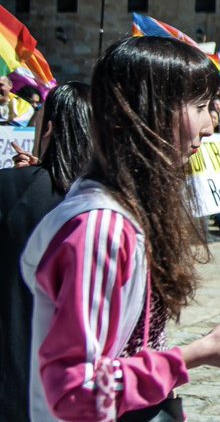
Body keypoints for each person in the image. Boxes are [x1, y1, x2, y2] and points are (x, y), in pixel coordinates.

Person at [21, 37, 220, 420]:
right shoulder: (101, 228)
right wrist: (196, 355)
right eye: (201, 107)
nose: (211, 126)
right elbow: (77, 390)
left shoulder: (126, 212)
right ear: (151, 112)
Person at [0, 82, 93, 421]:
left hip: (13, 376)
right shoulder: (106, 206)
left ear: (49, 128)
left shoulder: (12, 189)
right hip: (75, 386)